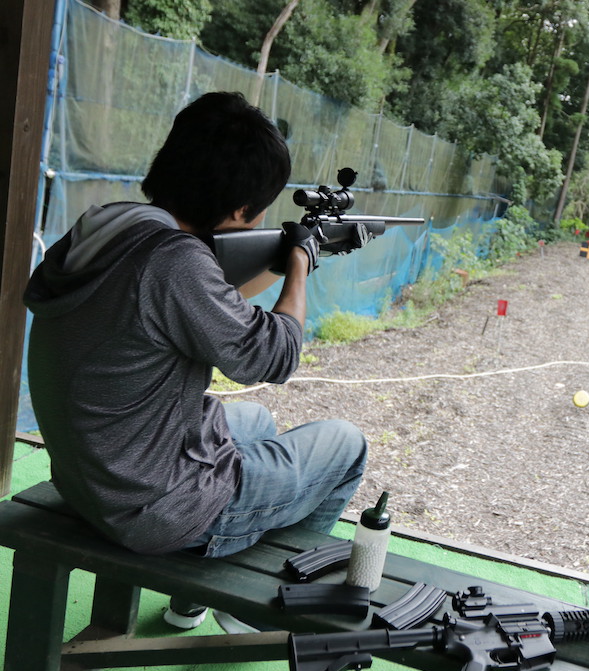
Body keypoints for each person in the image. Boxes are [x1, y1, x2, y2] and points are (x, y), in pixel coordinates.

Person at [23, 91, 367, 631]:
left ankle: (190, 600)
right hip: (152, 507)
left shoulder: (110, 225)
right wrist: (301, 264)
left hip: (90, 476)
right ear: (240, 210)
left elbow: (203, 306)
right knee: (347, 445)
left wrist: (287, 262)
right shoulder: (176, 262)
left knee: (256, 421)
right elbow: (274, 357)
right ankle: (256, 604)